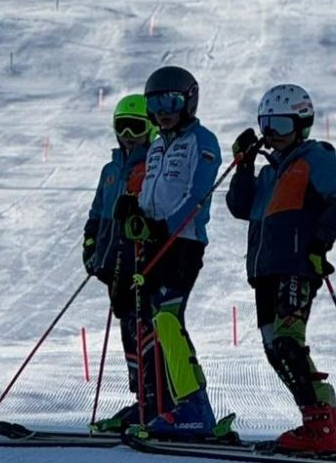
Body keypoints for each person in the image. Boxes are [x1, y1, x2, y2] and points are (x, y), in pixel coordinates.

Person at [226, 84, 336, 454]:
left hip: (296, 266)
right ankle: (322, 421)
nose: (273, 134)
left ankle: (321, 426)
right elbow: (239, 206)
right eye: (266, 125)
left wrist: (320, 243)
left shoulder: (315, 157)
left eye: (281, 125)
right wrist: (244, 165)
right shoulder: (269, 172)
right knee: (276, 349)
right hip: (265, 271)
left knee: (287, 342)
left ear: (302, 125)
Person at [115, 66, 223, 438]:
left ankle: (195, 407)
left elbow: (198, 195)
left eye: (171, 102)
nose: (163, 111)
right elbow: (151, 194)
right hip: (154, 241)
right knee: (150, 320)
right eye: (155, 104)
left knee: (167, 319)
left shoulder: (201, 140)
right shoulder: (158, 145)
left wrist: (166, 225)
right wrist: (135, 210)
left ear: (188, 101)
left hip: (183, 242)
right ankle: (160, 404)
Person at [84, 95, 165, 432]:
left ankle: (157, 398)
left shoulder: (154, 165)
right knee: (128, 330)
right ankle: (142, 398)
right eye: (122, 127)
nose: (129, 135)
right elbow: (96, 213)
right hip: (111, 263)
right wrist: (91, 245)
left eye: (136, 127)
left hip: (139, 262)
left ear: (150, 129)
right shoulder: (111, 170)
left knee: (144, 328)